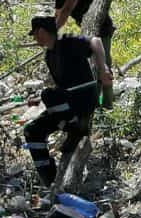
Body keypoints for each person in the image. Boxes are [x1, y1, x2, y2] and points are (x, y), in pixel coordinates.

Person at [24, 15, 112, 188]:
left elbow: (95, 41)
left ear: (41, 32)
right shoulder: (49, 55)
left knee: (48, 95)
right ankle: (50, 180)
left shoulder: (67, 41)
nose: (35, 39)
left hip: (84, 97)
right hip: (69, 101)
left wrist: (103, 68)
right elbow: (60, 87)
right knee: (31, 130)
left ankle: (76, 129)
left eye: (35, 34)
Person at [42, 0, 116, 108]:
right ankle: (92, 102)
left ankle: (108, 106)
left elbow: (66, 11)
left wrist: (53, 32)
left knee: (104, 66)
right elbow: (57, 14)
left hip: (101, 28)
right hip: (85, 29)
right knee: (86, 67)